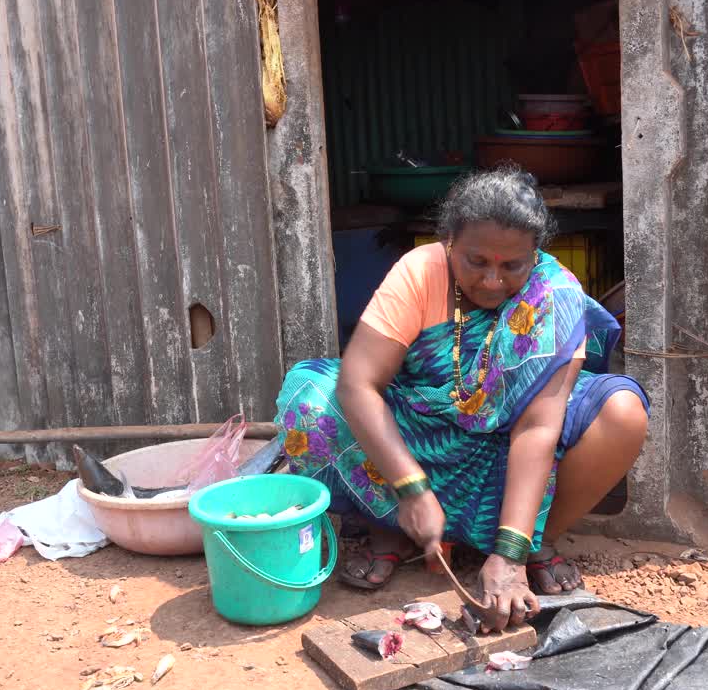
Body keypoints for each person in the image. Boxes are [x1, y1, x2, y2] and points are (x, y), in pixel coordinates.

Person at [274, 167, 648, 632]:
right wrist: (410, 487)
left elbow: (537, 427)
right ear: (448, 241)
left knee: (622, 412)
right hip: (418, 429)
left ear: (536, 254)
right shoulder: (419, 272)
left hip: (507, 442)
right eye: (476, 261)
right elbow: (358, 382)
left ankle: (528, 540)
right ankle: (391, 525)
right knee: (310, 400)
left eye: (512, 265)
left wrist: (509, 555)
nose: (492, 281)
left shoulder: (554, 296)